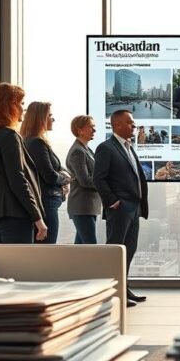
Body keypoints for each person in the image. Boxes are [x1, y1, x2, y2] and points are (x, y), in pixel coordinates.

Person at [0, 83, 47, 244]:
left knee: (0, 267)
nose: (23, 109)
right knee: (19, 267)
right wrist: (37, 217)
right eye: (21, 104)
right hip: (14, 215)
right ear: (9, 106)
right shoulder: (9, 136)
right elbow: (18, 180)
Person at [94, 110, 149, 305]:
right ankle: (115, 294)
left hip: (134, 208)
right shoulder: (106, 148)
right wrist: (112, 201)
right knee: (116, 252)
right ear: (117, 125)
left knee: (129, 250)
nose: (134, 126)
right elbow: (98, 178)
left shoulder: (128, 147)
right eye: (130, 123)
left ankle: (124, 289)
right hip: (119, 209)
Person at [21, 102, 71, 245]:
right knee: (47, 248)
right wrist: (65, 179)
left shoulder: (31, 141)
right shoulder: (37, 143)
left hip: (44, 203)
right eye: (49, 115)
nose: (53, 119)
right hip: (45, 204)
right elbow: (49, 175)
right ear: (40, 118)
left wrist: (63, 176)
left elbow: (59, 167)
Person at [66, 115, 102, 245]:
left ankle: (73, 266)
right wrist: (104, 185)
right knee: (90, 247)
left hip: (88, 206)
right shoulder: (78, 152)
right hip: (82, 206)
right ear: (80, 130)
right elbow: (85, 180)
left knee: (81, 248)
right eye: (91, 127)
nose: (94, 130)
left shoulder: (86, 149)